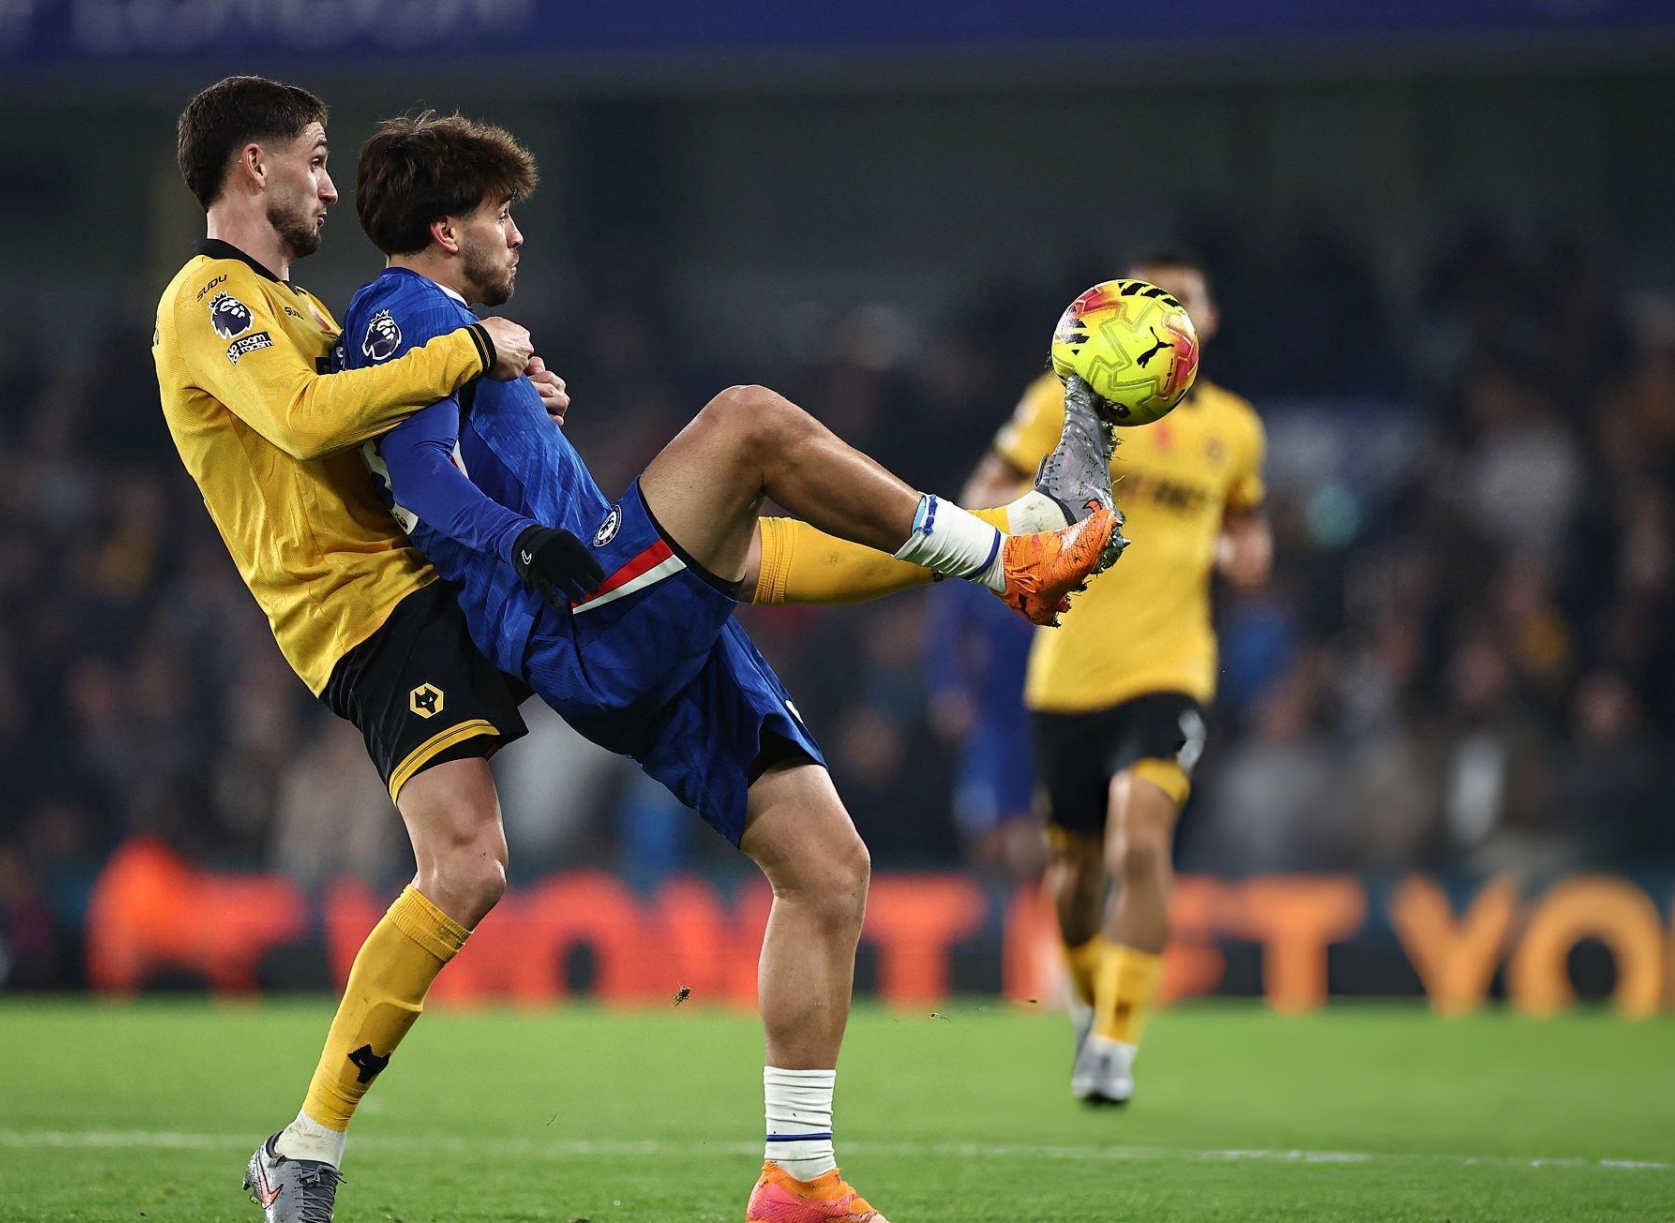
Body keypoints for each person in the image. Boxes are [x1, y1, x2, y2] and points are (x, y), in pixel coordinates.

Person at [241, 110, 1120, 1223]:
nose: (518, 234)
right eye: (502, 213)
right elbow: (419, 478)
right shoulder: (401, 311)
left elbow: (756, 562)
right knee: (746, 420)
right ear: (445, 228)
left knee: (827, 866)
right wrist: (522, 542)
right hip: (582, 616)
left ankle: (798, 1176)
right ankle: (1007, 555)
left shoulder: (466, 344)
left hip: (630, 621)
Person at [148, 76, 558, 1220]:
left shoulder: (309, 315)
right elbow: (306, 419)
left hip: (424, 583)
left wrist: (513, 401)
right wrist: (469, 348)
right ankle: (306, 1145)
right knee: (466, 866)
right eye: (317, 158)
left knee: (631, 637)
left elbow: (395, 436)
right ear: (255, 165)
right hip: (363, 613)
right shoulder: (209, 299)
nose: (330, 186)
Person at [962, 250, 1273, 1104]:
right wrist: (1040, 513)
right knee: (1073, 875)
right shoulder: (1057, 405)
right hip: (1067, 670)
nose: (1171, 317)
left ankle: (1116, 1042)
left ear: (1205, 324)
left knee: (1141, 838)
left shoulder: (1235, 429)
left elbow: (1248, 530)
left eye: (1188, 303)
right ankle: (1089, 1001)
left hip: (1172, 664)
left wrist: (1243, 553)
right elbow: (983, 490)